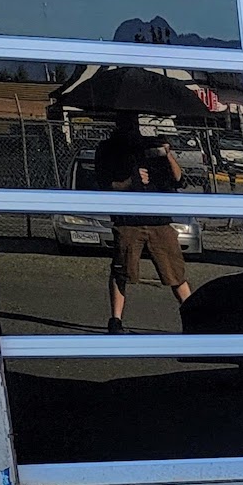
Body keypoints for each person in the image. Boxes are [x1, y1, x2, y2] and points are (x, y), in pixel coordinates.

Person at [94, 112, 191, 334]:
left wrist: (167, 154)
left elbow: (178, 180)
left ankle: (193, 315)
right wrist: (131, 180)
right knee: (122, 269)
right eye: (127, 124)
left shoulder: (151, 147)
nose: (132, 129)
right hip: (129, 220)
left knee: (174, 271)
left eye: (134, 123)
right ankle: (116, 320)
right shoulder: (109, 150)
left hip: (158, 219)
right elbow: (105, 185)